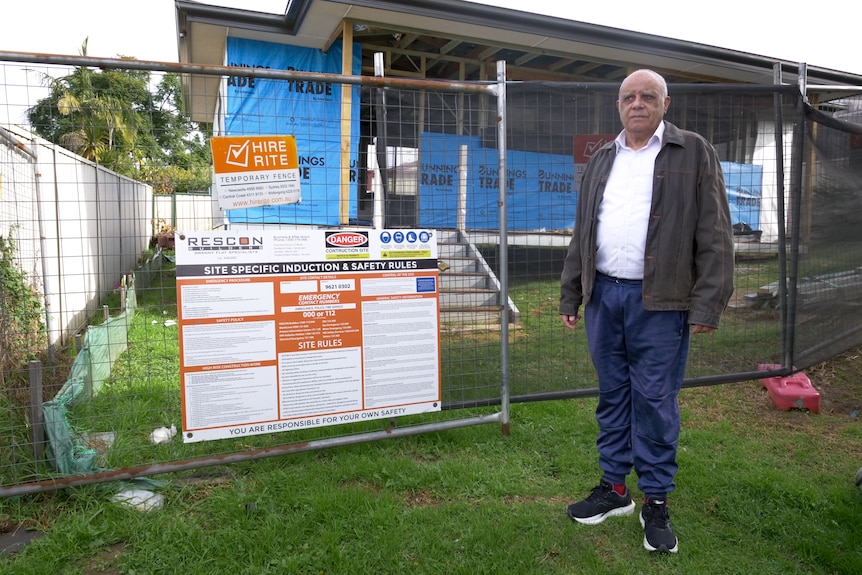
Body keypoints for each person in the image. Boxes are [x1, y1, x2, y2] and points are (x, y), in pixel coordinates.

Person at [559, 69, 734, 554]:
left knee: (655, 401)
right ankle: (615, 490)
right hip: (604, 298)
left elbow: (715, 232)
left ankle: (655, 500)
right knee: (612, 396)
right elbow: (583, 231)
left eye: (648, 96)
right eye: (629, 97)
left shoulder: (693, 151)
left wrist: (709, 302)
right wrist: (571, 292)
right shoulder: (603, 158)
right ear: (619, 105)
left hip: (661, 302)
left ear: (665, 103)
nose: (637, 103)